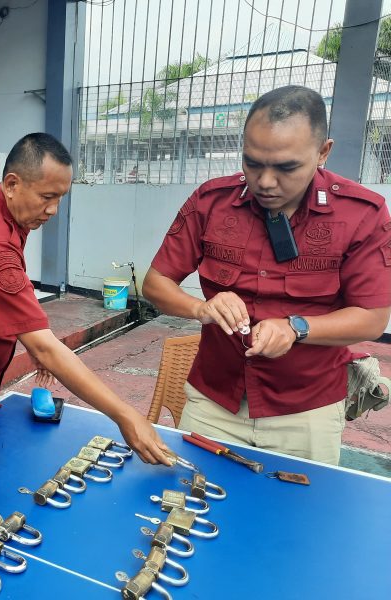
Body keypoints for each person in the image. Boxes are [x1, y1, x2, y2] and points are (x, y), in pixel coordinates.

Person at [142, 85, 391, 465]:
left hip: (305, 411)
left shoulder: (361, 215)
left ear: (323, 152)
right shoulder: (211, 203)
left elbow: (373, 319)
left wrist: (297, 328)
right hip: (214, 401)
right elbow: (155, 284)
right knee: (191, 505)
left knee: (297, 518)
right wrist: (201, 309)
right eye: (253, 163)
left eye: (286, 167)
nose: (266, 181)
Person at [0, 133, 170, 465]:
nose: (53, 210)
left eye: (60, 198)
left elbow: (13, 305)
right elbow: (44, 346)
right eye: (47, 197)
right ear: (12, 184)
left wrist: (31, 334)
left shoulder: (5, 213)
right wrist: (125, 415)